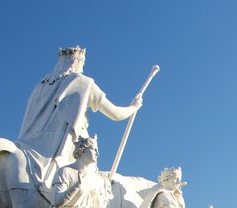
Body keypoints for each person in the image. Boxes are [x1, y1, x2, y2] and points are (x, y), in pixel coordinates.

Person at [16, 46, 142, 187]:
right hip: (62, 150)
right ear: (79, 62)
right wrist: (134, 107)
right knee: (95, 184)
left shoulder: (41, 85)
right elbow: (115, 114)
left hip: (28, 145)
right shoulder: (83, 82)